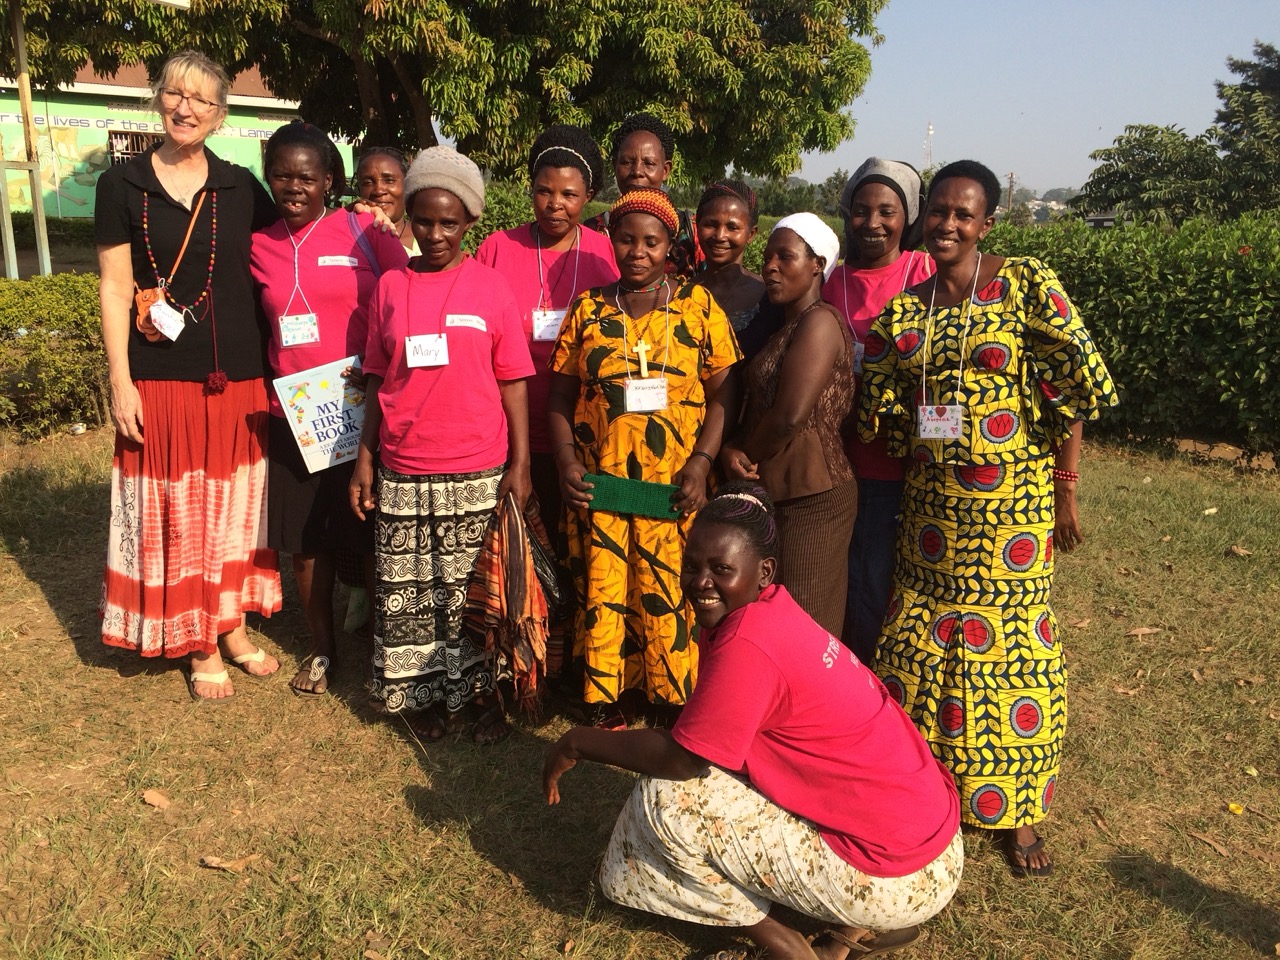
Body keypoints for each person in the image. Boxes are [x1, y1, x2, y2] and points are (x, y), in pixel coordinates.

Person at [542, 483, 963, 960]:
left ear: (764, 572)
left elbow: (682, 759)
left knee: (665, 800)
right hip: (933, 843)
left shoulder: (749, 643)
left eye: (721, 569)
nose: (701, 581)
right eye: (692, 565)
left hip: (899, 875)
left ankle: (788, 945)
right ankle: (857, 929)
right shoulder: (774, 611)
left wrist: (577, 742)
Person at [858, 160, 1118, 876]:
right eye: (937, 211)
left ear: (986, 224)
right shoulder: (909, 310)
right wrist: (912, 423)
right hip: (934, 518)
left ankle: (1020, 814)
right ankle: (927, 790)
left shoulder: (1026, 284)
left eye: (962, 215)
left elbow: (1076, 389)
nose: (946, 225)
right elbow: (878, 407)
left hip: (1012, 515)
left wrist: (1066, 484)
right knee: (923, 647)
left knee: (1014, 658)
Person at [96, 50, 282, 701]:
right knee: (181, 510)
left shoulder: (239, 187)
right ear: (158, 98)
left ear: (220, 113)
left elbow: (295, 242)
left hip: (239, 376)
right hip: (162, 377)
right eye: (176, 93)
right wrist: (120, 380)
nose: (186, 108)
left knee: (233, 508)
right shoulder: (121, 186)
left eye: (202, 99)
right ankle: (198, 639)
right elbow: (116, 287)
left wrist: (371, 225)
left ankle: (229, 622)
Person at [350, 146, 535, 744]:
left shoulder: (492, 290)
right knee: (413, 594)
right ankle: (422, 696)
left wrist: (522, 463)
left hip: (478, 467)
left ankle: (484, 700)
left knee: (473, 597)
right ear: (407, 216)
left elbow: (513, 381)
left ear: (469, 222)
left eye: (448, 222)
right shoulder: (390, 290)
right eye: (422, 220)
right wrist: (365, 458)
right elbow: (378, 377)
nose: (434, 234)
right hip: (405, 466)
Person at [547, 188, 740, 728]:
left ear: (670, 245)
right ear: (612, 242)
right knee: (606, 590)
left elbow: (725, 392)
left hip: (674, 484)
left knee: (667, 589)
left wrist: (703, 462)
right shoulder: (588, 308)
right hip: (602, 485)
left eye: (651, 242)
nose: (638, 251)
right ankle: (606, 700)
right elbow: (560, 394)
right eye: (626, 239)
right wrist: (566, 460)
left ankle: (671, 702)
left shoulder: (698, 308)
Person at [250, 122, 408, 696]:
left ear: (329, 182)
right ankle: (321, 649)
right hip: (295, 414)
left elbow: (410, 295)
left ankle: (380, 652)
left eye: (307, 176)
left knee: (369, 535)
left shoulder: (364, 229)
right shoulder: (258, 243)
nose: (294, 186)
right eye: (282, 175)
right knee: (307, 541)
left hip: (362, 408)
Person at [475, 125, 619, 540]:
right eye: (544, 191)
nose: (555, 205)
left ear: (587, 197)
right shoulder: (498, 248)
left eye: (569, 195)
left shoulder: (603, 252)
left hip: (583, 438)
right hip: (508, 435)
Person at [720, 214, 856, 637]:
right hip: (786, 490)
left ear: (817, 264)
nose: (771, 267)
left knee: (807, 621)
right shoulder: (788, 325)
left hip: (813, 497)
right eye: (767, 258)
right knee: (778, 617)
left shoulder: (819, 322)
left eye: (785, 257)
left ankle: (813, 704)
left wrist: (740, 453)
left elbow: (789, 416)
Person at [823, 158, 934, 665]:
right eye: (862, 210)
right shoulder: (832, 279)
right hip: (842, 454)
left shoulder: (922, 271)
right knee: (850, 570)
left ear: (907, 215)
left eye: (886, 211)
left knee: (884, 571)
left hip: (906, 457)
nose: (873, 223)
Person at [584, 112, 701, 278]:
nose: (637, 172)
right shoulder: (593, 232)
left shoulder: (693, 231)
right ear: (614, 166)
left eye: (649, 163)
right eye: (627, 162)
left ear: (666, 170)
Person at [694, 179, 764, 336]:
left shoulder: (767, 297)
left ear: (751, 234)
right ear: (697, 225)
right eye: (711, 224)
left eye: (732, 227)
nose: (720, 236)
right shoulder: (680, 294)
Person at [354, 147, 418, 255]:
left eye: (389, 180)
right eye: (368, 182)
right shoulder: (350, 239)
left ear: (407, 185)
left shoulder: (426, 236)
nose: (378, 190)